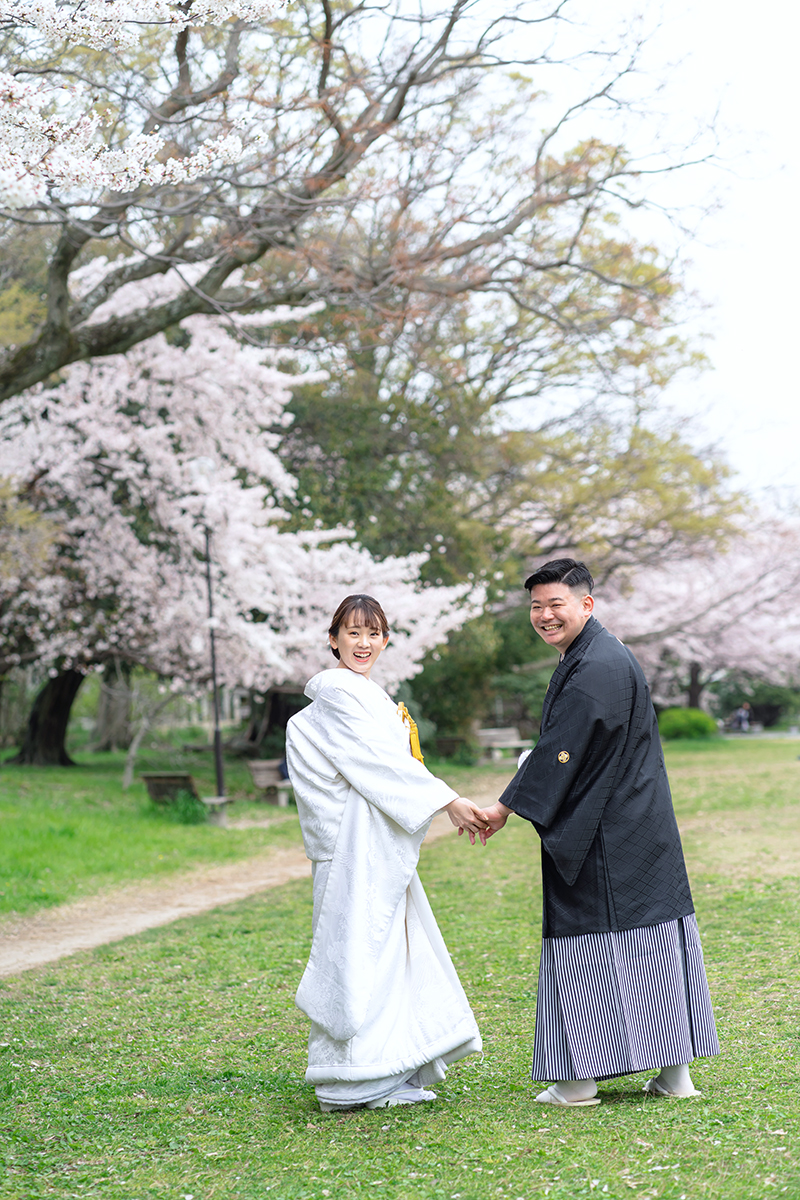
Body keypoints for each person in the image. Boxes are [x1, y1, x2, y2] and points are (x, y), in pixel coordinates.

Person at [480, 559, 719, 1106]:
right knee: (653, 940)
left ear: (586, 605)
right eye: (536, 606)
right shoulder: (597, 654)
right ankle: (674, 1074)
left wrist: (504, 806)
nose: (544, 615)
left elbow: (563, 750)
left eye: (555, 604)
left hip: (603, 829)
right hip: (638, 820)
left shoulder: (596, 664)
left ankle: (577, 1080)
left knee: (590, 944)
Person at [285, 593, 486, 1112]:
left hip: (370, 843)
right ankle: (352, 1080)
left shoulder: (367, 696)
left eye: (373, 633)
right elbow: (376, 765)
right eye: (353, 632)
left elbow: (383, 765)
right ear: (333, 640)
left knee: (391, 950)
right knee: (360, 952)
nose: (364, 643)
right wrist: (449, 801)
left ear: (386, 640)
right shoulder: (336, 695)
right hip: (355, 847)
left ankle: (392, 1067)